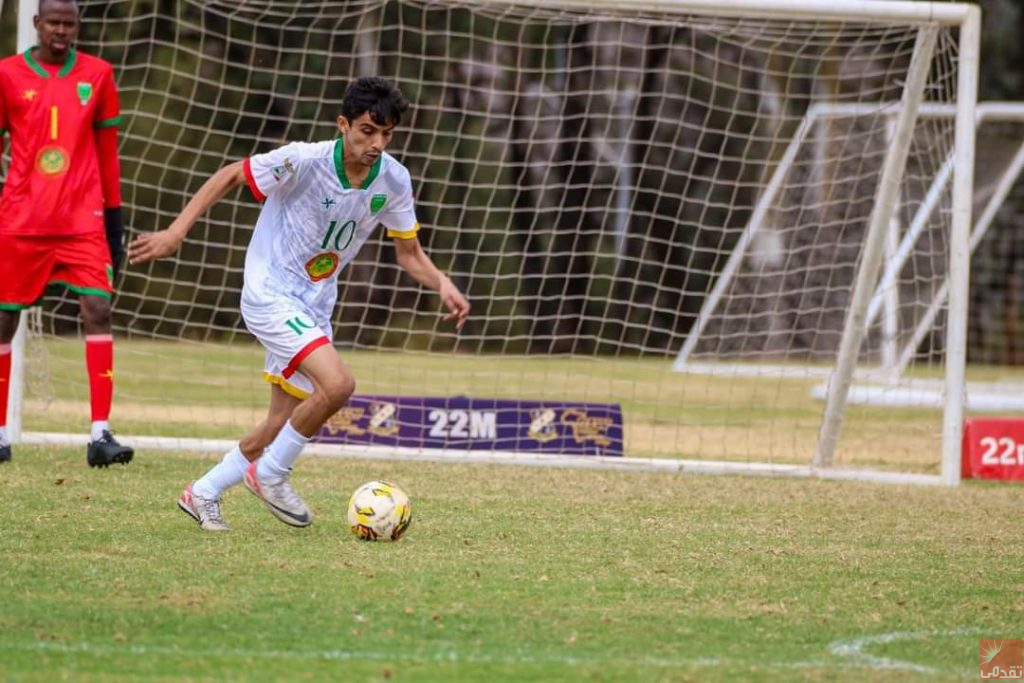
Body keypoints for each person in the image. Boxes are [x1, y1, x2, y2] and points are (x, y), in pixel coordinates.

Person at [128, 76, 470, 532]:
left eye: (387, 134)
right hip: (270, 292)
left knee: (279, 423)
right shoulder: (303, 160)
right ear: (343, 124)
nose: (377, 143)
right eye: (368, 131)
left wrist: (442, 282)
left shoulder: (393, 179)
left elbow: (408, 254)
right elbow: (232, 173)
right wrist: (176, 232)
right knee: (339, 385)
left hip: (314, 305)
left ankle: (203, 492)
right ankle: (270, 473)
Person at [0, 0, 134, 467]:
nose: (61, 30)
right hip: (21, 220)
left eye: (69, 23)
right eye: (53, 22)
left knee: (98, 309)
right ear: (37, 24)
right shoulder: (7, 74)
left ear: (78, 26)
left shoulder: (98, 73)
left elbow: (108, 154)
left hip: (82, 222)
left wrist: (115, 224)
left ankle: (100, 434)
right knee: (3, 320)